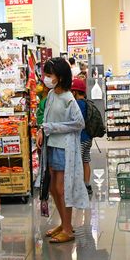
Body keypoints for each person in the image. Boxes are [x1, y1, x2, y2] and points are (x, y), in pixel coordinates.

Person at [41, 57, 89, 242]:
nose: (45, 78)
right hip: (51, 145)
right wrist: (42, 130)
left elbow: (79, 123)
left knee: (62, 188)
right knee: (52, 187)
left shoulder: (69, 98)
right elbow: (47, 119)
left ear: (60, 77)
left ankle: (68, 229)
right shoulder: (52, 95)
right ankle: (63, 223)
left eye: (49, 74)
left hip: (64, 148)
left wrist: (53, 127)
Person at [71, 76, 94, 194]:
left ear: (74, 92)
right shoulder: (86, 102)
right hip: (88, 138)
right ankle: (87, 184)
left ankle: (79, 188)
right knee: (86, 161)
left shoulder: (77, 104)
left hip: (80, 139)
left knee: (78, 163)